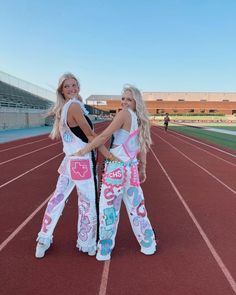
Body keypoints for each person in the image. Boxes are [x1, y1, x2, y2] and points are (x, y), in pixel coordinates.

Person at [74, 85, 157, 261]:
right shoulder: (140, 119)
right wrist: (142, 167)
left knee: (108, 208)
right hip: (132, 169)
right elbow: (142, 147)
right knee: (137, 207)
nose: (125, 102)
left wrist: (84, 150)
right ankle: (148, 244)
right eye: (123, 98)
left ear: (136, 102)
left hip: (116, 169)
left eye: (129, 99)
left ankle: (104, 250)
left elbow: (103, 136)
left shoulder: (123, 114)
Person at [35, 73, 113, 258]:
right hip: (83, 163)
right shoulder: (75, 107)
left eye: (74, 85)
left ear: (78, 86)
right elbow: (91, 136)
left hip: (69, 161)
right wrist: (109, 156)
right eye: (67, 86)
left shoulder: (64, 109)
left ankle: (43, 239)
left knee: (57, 199)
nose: (71, 89)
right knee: (87, 203)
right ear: (62, 90)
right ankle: (88, 243)